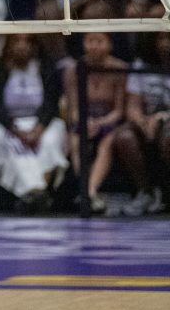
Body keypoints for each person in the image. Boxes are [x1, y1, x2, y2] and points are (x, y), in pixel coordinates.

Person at [0, 34, 68, 212]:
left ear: (35, 46)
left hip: (42, 123)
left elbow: (51, 103)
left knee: (50, 142)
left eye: (27, 41)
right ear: (9, 45)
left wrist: (38, 129)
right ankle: (36, 192)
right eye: (17, 41)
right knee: (14, 147)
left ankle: (35, 194)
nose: (22, 46)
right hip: (8, 125)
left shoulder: (46, 67)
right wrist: (16, 131)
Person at [66, 32, 128, 214]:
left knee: (107, 143)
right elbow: (73, 108)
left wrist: (100, 123)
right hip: (84, 120)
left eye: (99, 41)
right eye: (90, 41)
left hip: (109, 121)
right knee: (76, 141)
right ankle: (86, 190)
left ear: (109, 44)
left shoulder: (119, 68)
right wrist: (85, 122)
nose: (94, 46)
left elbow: (119, 110)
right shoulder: (74, 69)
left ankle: (89, 192)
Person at [113, 32, 170, 216]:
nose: (165, 43)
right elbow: (133, 106)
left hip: (165, 119)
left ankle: (167, 194)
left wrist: (163, 117)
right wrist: (142, 122)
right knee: (124, 137)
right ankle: (145, 192)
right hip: (147, 120)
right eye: (160, 38)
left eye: (168, 38)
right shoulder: (141, 65)